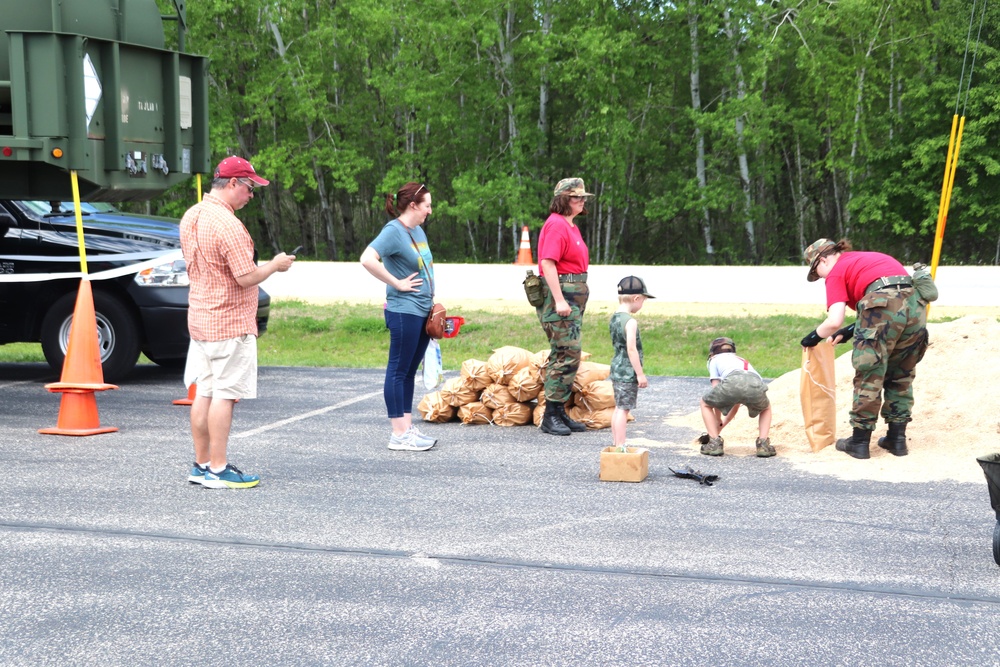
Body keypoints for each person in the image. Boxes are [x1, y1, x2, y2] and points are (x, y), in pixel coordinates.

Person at [180, 156, 295, 489]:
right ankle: (219, 468)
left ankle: (201, 464)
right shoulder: (229, 225)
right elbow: (246, 277)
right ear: (232, 184)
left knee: (204, 391)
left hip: (201, 317)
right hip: (229, 321)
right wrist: (275, 264)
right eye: (249, 187)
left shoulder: (191, 215)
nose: (251, 195)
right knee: (225, 395)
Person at [800, 238, 928, 459]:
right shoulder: (870, 258)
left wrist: (811, 338)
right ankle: (896, 441)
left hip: (881, 305)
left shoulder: (836, 272)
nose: (821, 277)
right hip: (915, 308)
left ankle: (859, 442)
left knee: (870, 373)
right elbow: (892, 298)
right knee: (901, 374)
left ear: (822, 260)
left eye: (817, 272)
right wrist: (852, 330)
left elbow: (833, 321)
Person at [360, 182, 439, 452]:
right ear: (413, 205)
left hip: (422, 309)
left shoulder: (417, 231)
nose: (430, 210)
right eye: (427, 205)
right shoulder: (393, 230)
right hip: (403, 310)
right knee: (397, 370)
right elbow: (367, 258)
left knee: (408, 372)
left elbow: (425, 268)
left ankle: (407, 428)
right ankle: (398, 434)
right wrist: (397, 283)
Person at [535, 177, 594, 436]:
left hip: (574, 294)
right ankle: (551, 414)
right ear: (562, 200)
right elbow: (548, 263)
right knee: (566, 353)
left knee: (567, 353)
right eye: (575, 197)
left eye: (583, 197)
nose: (581, 201)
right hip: (562, 296)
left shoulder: (570, 225)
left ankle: (558, 411)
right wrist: (559, 300)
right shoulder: (557, 225)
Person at [699, 337, 775, 458]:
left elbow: (716, 391)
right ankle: (763, 444)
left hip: (733, 380)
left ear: (712, 353)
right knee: (766, 408)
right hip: (756, 383)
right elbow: (736, 403)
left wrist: (718, 420)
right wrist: (722, 424)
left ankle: (714, 442)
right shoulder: (741, 360)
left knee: (705, 403)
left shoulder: (714, 360)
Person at [609, 276, 653, 449]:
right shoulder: (630, 321)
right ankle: (621, 445)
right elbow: (632, 349)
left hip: (616, 368)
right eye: (643, 300)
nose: (642, 305)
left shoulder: (615, 318)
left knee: (618, 407)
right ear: (636, 298)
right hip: (627, 372)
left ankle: (615, 442)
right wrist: (640, 374)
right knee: (623, 409)